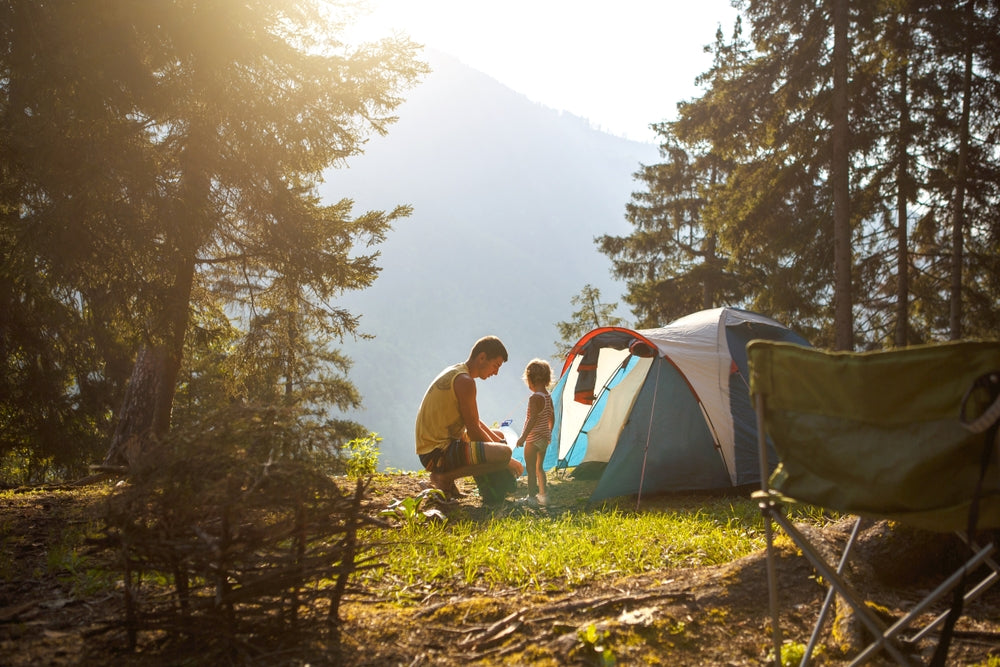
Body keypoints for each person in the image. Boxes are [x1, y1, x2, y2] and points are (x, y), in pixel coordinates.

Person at [415, 336, 523, 498]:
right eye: (496, 365)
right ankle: (443, 478)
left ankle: (477, 485)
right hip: (436, 455)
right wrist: (508, 460)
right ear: (482, 358)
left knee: (499, 437)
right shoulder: (465, 382)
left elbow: (474, 420)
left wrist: (498, 442)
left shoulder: (458, 373)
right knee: (503, 454)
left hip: (434, 448)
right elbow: (473, 430)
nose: (496, 372)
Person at [515, 359, 554, 507]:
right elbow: (552, 416)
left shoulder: (535, 398)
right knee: (539, 468)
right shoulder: (548, 396)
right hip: (544, 438)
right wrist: (548, 433)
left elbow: (532, 419)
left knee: (530, 469)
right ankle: (544, 496)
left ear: (531, 379)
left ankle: (531, 498)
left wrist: (523, 437)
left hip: (533, 438)